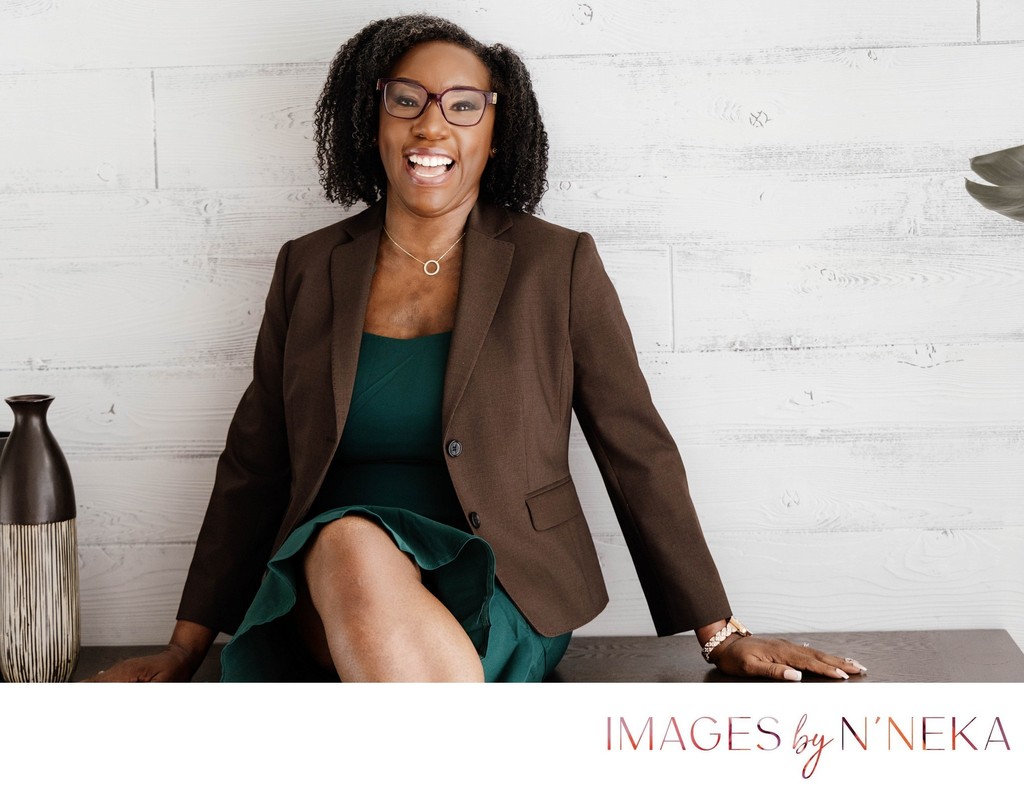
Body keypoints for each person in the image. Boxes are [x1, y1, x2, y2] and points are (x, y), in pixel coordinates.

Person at [91, 15, 866, 683]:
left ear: (497, 136)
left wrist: (719, 632)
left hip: (508, 585)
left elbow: (636, 449)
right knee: (348, 542)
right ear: (372, 121)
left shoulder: (557, 265)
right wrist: (184, 647)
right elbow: (253, 465)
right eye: (407, 101)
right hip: (334, 588)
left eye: (463, 106)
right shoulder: (309, 267)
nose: (432, 127)